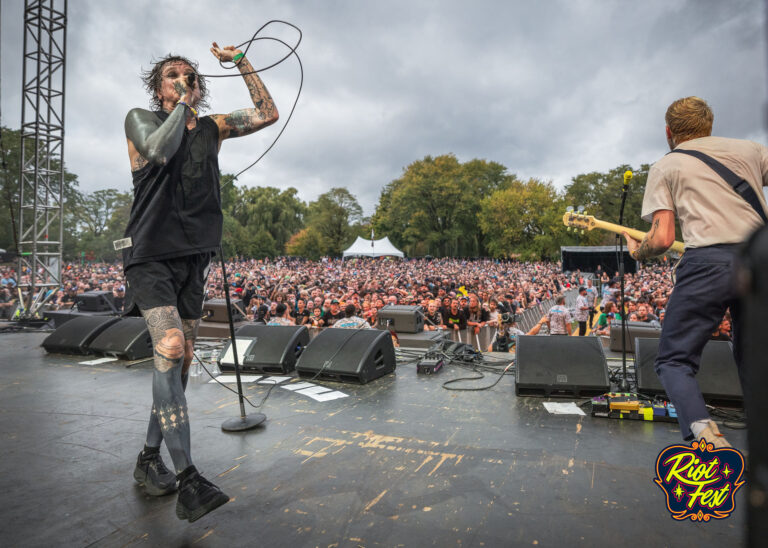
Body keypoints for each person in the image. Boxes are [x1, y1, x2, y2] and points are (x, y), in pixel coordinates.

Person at [122, 43, 278, 521]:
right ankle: (189, 476)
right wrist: (184, 105)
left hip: (194, 256)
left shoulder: (212, 127)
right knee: (169, 346)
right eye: (173, 75)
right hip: (149, 253)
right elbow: (159, 152)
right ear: (158, 87)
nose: (183, 79)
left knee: (181, 360)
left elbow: (267, 113)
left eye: (189, 75)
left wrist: (241, 63)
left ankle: (150, 459)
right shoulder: (140, 119)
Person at [623, 96, 767, 448]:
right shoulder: (751, 150)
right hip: (760, 259)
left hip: (709, 263)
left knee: (674, 359)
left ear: (670, 132)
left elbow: (663, 237)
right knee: (755, 357)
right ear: (709, 126)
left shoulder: (667, 166)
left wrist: (637, 250)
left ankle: (704, 436)